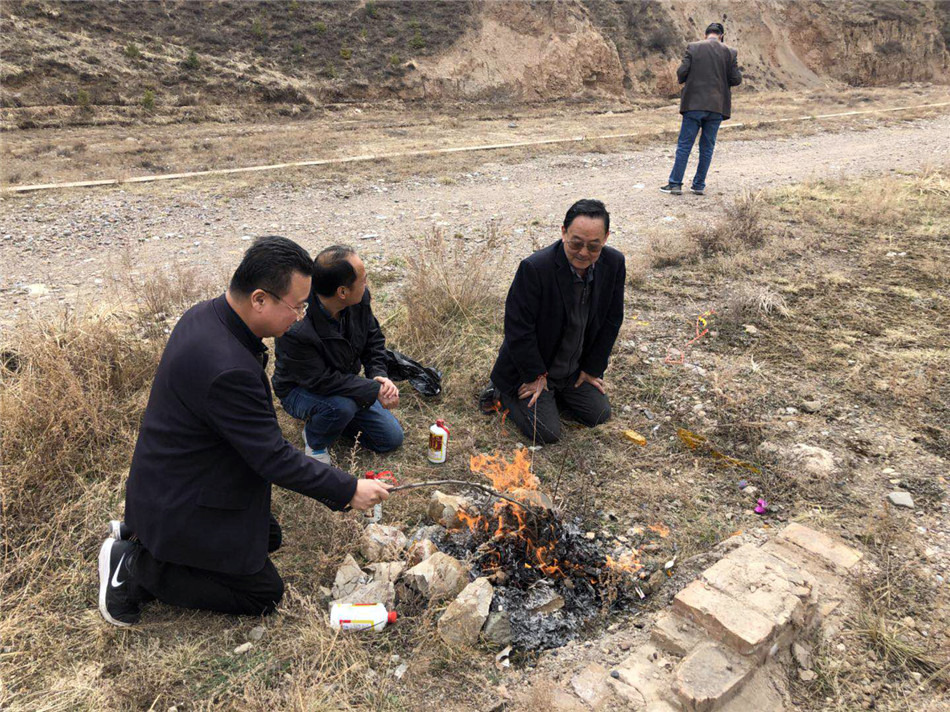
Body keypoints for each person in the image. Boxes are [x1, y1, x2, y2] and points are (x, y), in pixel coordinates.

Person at [98, 236, 392, 627]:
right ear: (259, 299)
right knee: (262, 593)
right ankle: (136, 565)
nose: (301, 317)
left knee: (268, 538)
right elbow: (272, 457)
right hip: (182, 496)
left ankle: (144, 532)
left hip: (179, 477)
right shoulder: (228, 368)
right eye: (297, 307)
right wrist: (349, 488)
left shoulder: (206, 315)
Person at [486, 199, 625, 444]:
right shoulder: (535, 268)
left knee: (599, 414)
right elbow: (518, 329)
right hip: (532, 369)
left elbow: (612, 320)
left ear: (606, 238)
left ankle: (558, 393)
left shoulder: (613, 263)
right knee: (547, 433)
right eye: (576, 243)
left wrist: (592, 369)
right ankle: (503, 391)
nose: (583, 253)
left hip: (572, 370)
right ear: (563, 232)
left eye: (593, 246)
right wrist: (535, 376)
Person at [272, 245, 403, 465]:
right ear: (342, 292)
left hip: (343, 381)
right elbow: (320, 381)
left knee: (390, 438)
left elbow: (373, 338)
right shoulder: (297, 325)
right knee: (341, 407)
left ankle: (334, 419)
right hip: (300, 389)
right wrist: (372, 390)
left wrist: (378, 375)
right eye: (363, 280)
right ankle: (315, 440)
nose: (366, 284)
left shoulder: (358, 300)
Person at [660, 22, 742, 196]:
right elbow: (736, 79)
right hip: (717, 107)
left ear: (706, 34)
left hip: (694, 104)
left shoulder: (693, 47)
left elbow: (682, 72)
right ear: (721, 35)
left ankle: (675, 184)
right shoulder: (730, 52)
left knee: (684, 145)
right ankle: (698, 185)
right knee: (707, 147)